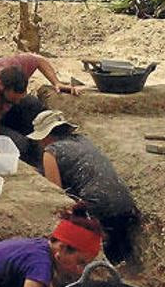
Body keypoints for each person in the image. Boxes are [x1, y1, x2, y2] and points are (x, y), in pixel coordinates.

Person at [27, 110, 140, 264]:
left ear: (45, 137)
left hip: (99, 208)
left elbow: (56, 195)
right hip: (125, 204)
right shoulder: (83, 140)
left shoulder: (51, 151)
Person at [0, 53, 79, 167]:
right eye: (13, 99)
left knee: (32, 104)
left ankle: (41, 141)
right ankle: (34, 160)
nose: (17, 102)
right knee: (21, 144)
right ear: (1, 86)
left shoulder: (16, 67)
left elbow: (39, 60)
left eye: (19, 98)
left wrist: (56, 82)